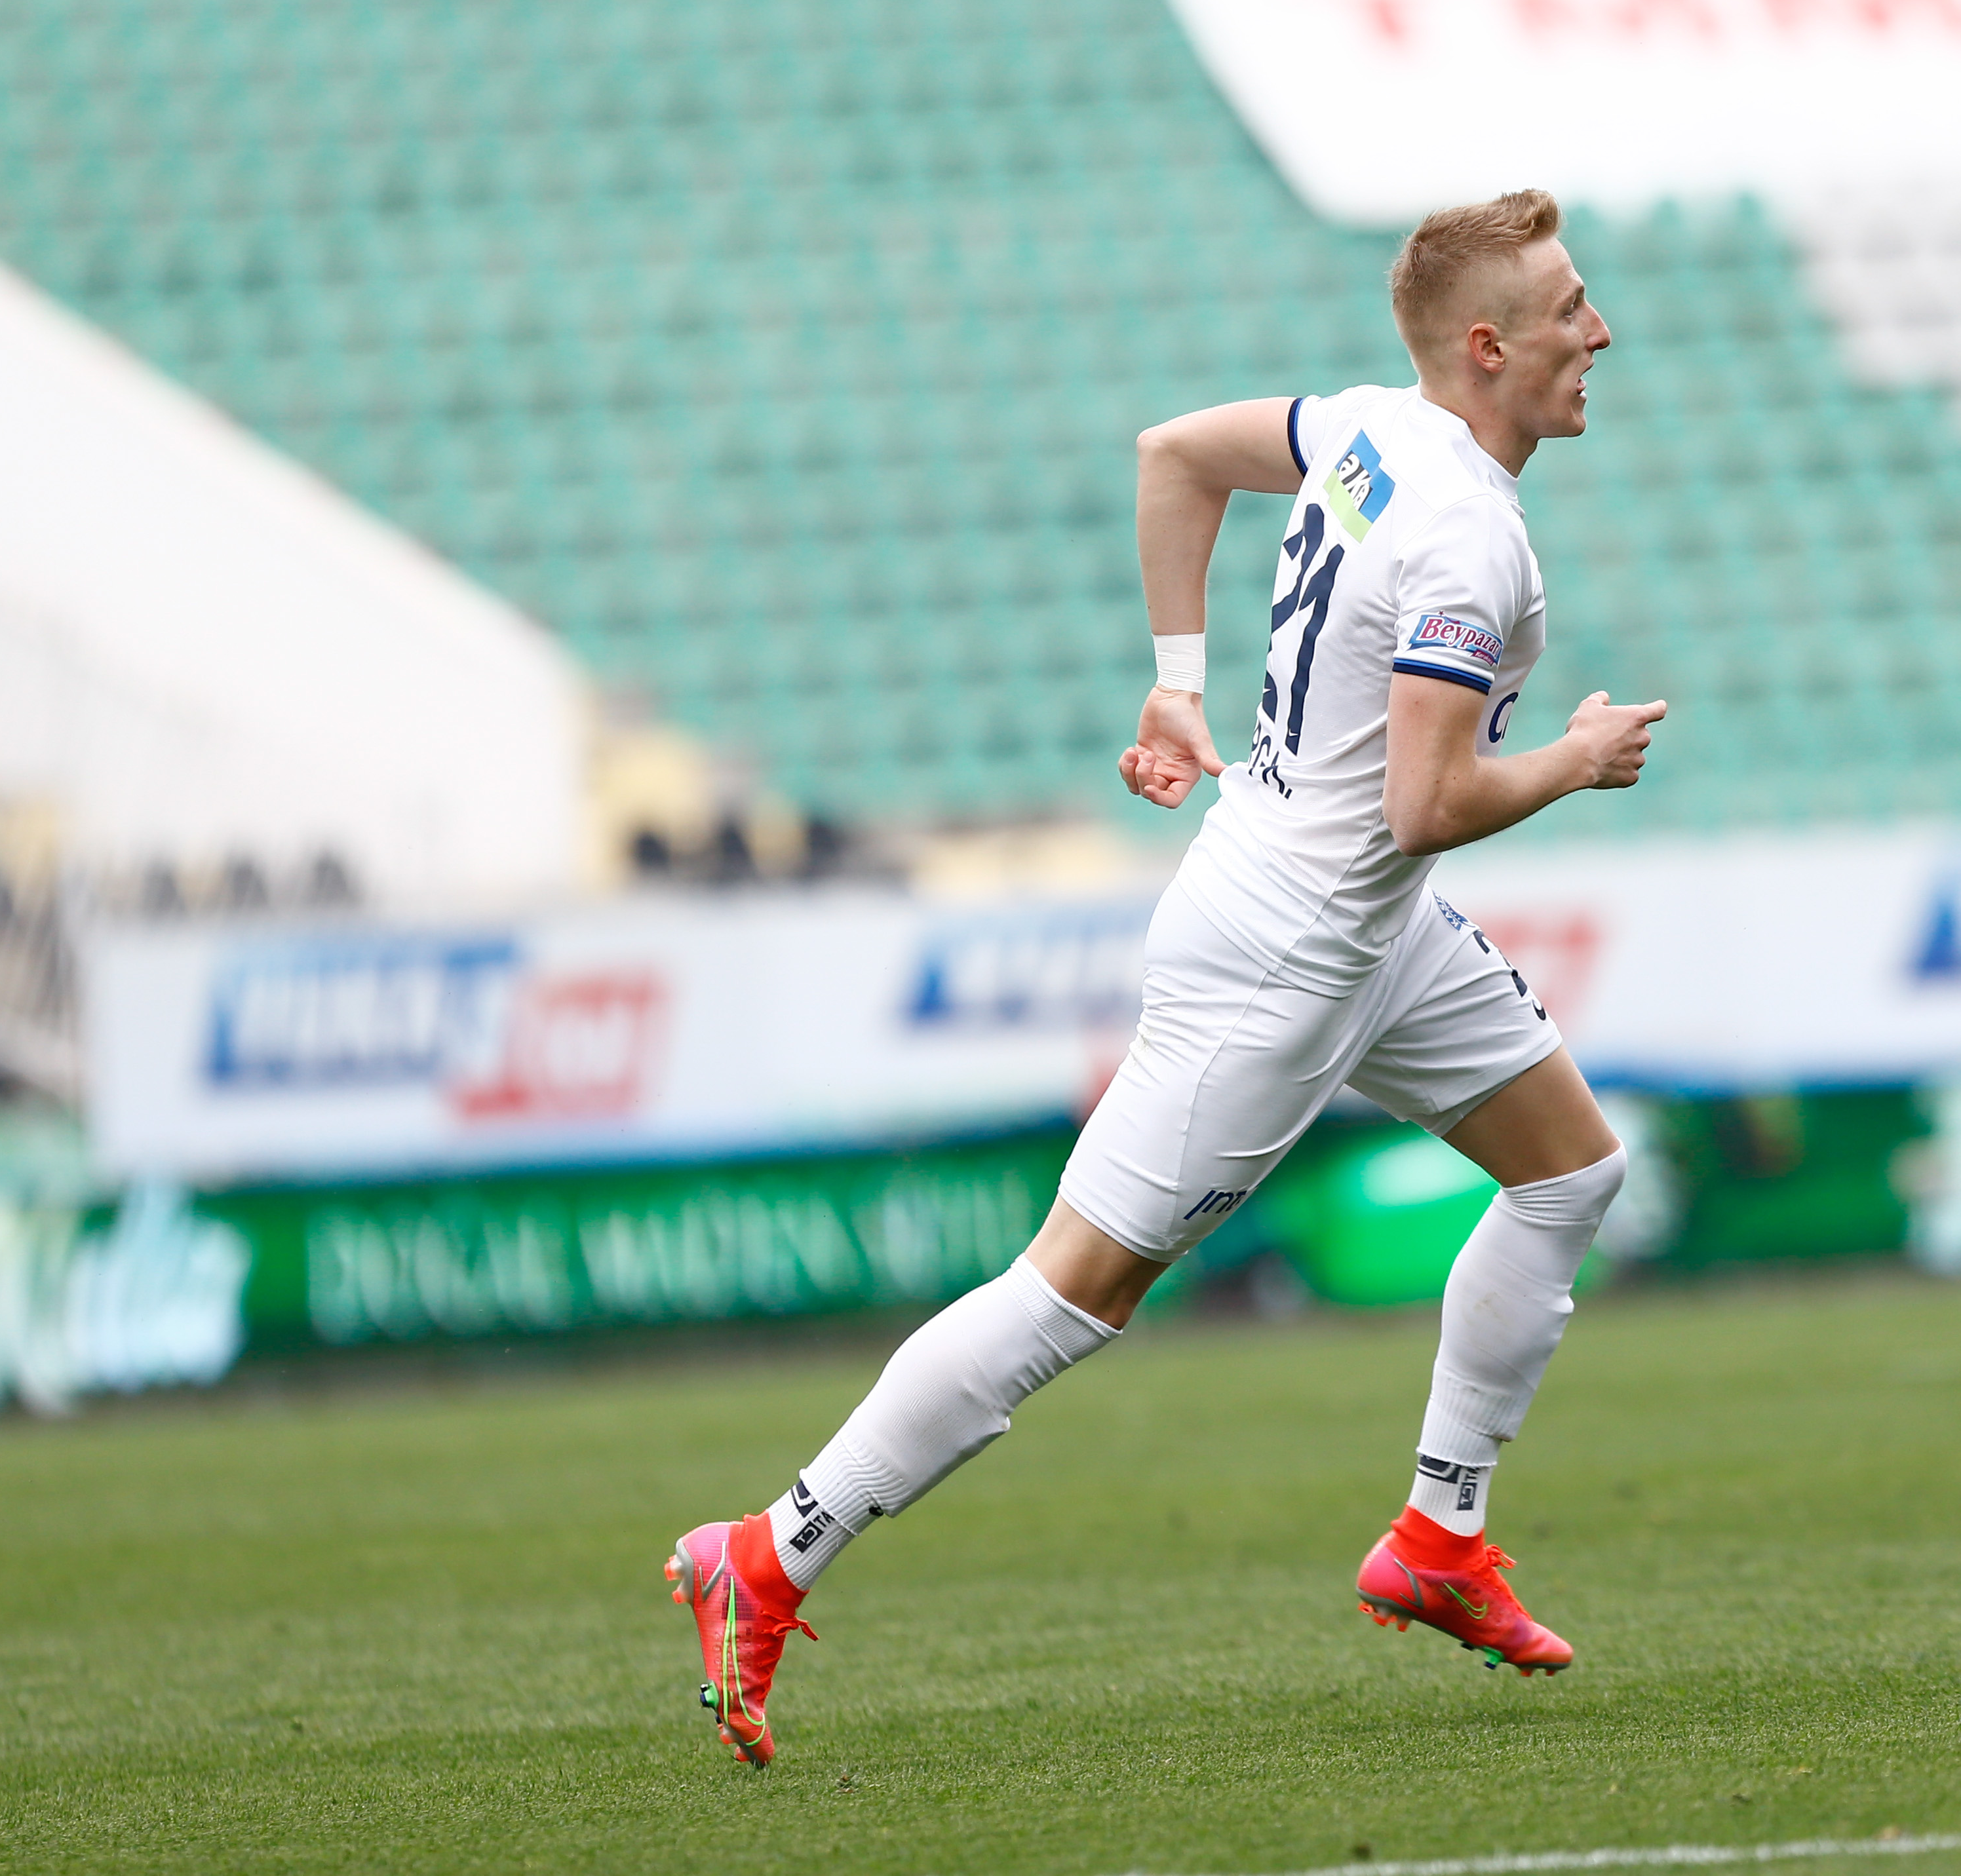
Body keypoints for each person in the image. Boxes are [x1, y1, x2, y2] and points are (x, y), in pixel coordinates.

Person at [666, 188, 1665, 1766]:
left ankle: (1439, 1537)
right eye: (1568, 310)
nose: (1597, 332)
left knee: (1570, 1173)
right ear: (1487, 346)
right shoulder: (1465, 534)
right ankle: (769, 1552)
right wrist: (1573, 758)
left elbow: (1172, 454)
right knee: (1073, 1293)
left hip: (1360, 921)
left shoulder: (1366, 430)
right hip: (1287, 953)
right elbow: (1425, 803)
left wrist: (1174, 682)